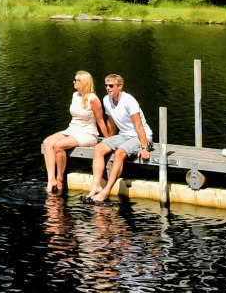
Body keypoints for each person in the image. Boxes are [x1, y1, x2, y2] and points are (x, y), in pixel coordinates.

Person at [87, 73, 153, 203]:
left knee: (119, 153)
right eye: (106, 85)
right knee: (99, 148)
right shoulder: (106, 100)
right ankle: (96, 186)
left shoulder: (129, 101)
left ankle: (106, 191)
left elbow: (138, 125)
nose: (108, 88)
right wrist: (108, 140)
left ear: (120, 86)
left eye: (111, 85)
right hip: (123, 135)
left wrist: (145, 147)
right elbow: (111, 122)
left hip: (141, 136)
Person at [41, 71, 107, 194]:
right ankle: (51, 180)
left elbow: (101, 121)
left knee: (58, 146)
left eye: (77, 80)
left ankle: (60, 178)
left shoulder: (93, 99)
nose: (74, 82)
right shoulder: (75, 95)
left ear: (84, 83)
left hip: (87, 133)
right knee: (47, 143)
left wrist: (109, 139)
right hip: (72, 129)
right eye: (74, 80)